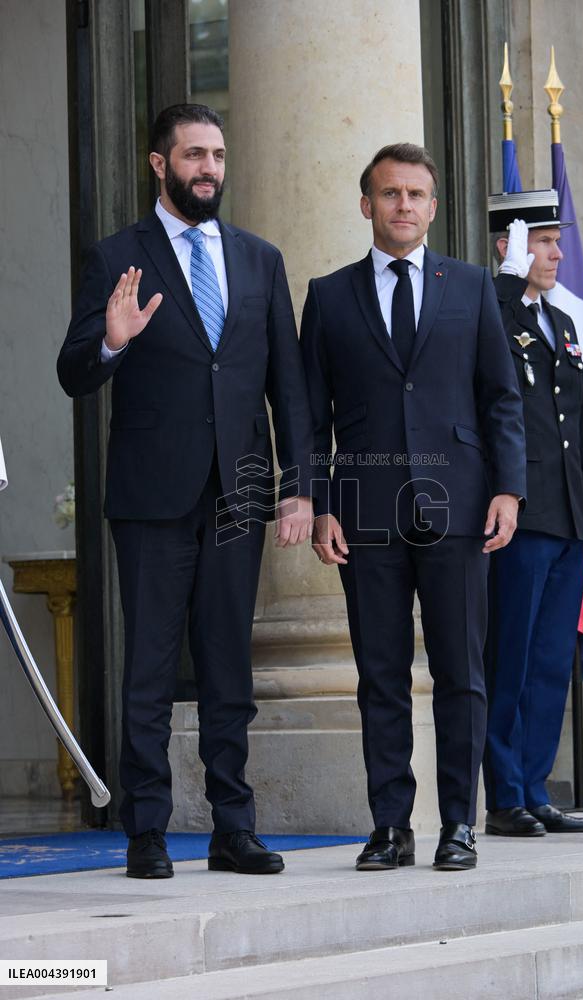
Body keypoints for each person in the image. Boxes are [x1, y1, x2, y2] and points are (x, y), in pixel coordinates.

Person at [58, 104, 314, 878]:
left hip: (237, 496)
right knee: (150, 667)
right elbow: (73, 373)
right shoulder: (115, 257)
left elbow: (289, 387)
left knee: (228, 666)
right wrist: (111, 339)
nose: (210, 168)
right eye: (195, 155)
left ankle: (234, 828)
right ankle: (146, 831)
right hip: (149, 498)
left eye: (219, 155)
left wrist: (298, 489)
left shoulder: (260, 258)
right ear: (159, 164)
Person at [300, 143, 526, 871]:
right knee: (381, 671)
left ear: (433, 206)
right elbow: (310, 416)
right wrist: (321, 502)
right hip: (364, 512)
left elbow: (501, 397)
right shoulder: (329, 296)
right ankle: (390, 826)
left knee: (461, 670)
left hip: (459, 505)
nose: (404, 206)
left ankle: (458, 823)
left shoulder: (469, 288)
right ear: (367, 205)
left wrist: (508, 488)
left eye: (416, 195)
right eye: (390, 194)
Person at [483, 190, 583, 837]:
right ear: (509, 246)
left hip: (567, 515)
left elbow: (572, 426)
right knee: (513, 655)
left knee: (554, 658)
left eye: (556, 241)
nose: (557, 253)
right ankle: (504, 794)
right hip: (521, 517)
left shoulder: (563, 323)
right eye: (544, 241)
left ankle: (535, 783)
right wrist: (506, 281)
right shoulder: (494, 311)